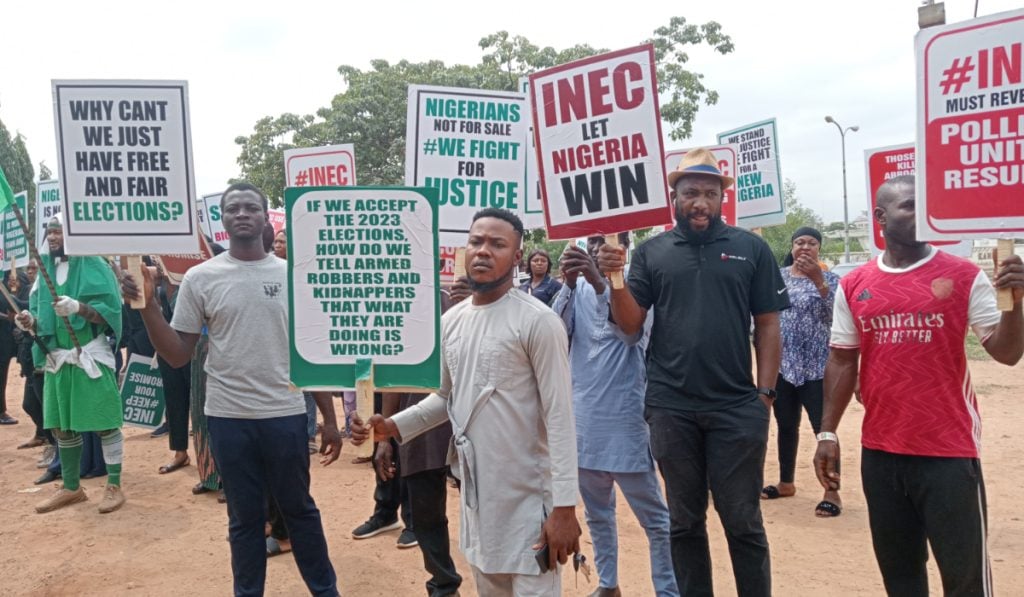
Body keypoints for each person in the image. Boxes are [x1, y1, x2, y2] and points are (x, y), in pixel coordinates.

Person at [121, 182, 344, 597]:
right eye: (233, 208)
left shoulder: (295, 275)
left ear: (265, 217)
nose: (242, 213)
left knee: (299, 510)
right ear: (222, 221)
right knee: (244, 519)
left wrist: (330, 420)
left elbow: (310, 355)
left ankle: (325, 590)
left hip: (285, 414)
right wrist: (149, 306)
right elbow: (177, 355)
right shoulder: (200, 279)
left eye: (251, 207)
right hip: (228, 418)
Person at [814, 175, 1024, 596]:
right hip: (882, 455)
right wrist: (827, 432)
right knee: (902, 578)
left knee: (965, 582)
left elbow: (1006, 352)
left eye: (923, 205)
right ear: (880, 217)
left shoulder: (963, 275)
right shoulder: (855, 284)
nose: (920, 214)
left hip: (948, 453)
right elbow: (841, 359)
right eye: (909, 205)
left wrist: (1016, 305)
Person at [597, 148, 788, 597]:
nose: (699, 202)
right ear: (674, 198)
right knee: (683, 522)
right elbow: (629, 325)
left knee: (742, 520)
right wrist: (616, 278)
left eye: (708, 193)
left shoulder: (751, 249)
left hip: (738, 406)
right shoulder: (651, 252)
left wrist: (764, 394)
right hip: (671, 406)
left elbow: (768, 323)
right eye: (690, 194)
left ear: (722, 197)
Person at [362, 207, 581, 595]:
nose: (483, 251)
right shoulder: (452, 321)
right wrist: (394, 426)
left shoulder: (538, 322)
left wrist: (564, 507)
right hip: (477, 495)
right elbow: (446, 397)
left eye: (497, 244)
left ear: (516, 258)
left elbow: (561, 418)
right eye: (476, 241)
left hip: (530, 500)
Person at [554, 235, 677, 597]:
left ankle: (668, 591)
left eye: (605, 241)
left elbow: (630, 335)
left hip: (624, 425)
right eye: (591, 242)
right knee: (597, 515)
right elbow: (556, 336)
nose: (596, 249)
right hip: (583, 425)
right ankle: (608, 584)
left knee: (655, 521)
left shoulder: (637, 290)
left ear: (623, 248)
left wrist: (600, 282)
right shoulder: (576, 289)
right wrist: (570, 283)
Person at [16, 214, 127, 514]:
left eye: (58, 232)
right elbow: (42, 319)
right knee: (62, 427)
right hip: (57, 359)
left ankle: (114, 485)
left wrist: (79, 308)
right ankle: (71, 487)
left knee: (105, 422)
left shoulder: (96, 266)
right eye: (49, 232)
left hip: (88, 353)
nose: (52, 237)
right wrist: (30, 322)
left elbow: (111, 313)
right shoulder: (45, 272)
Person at [760, 227, 843, 517]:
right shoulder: (778, 278)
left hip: (818, 368)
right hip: (784, 367)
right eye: (799, 242)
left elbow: (838, 317)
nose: (805, 247)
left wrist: (819, 281)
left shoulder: (832, 280)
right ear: (792, 247)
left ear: (819, 249)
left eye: (811, 243)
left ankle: (832, 492)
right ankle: (786, 483)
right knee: (785, 425)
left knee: (824, 430)